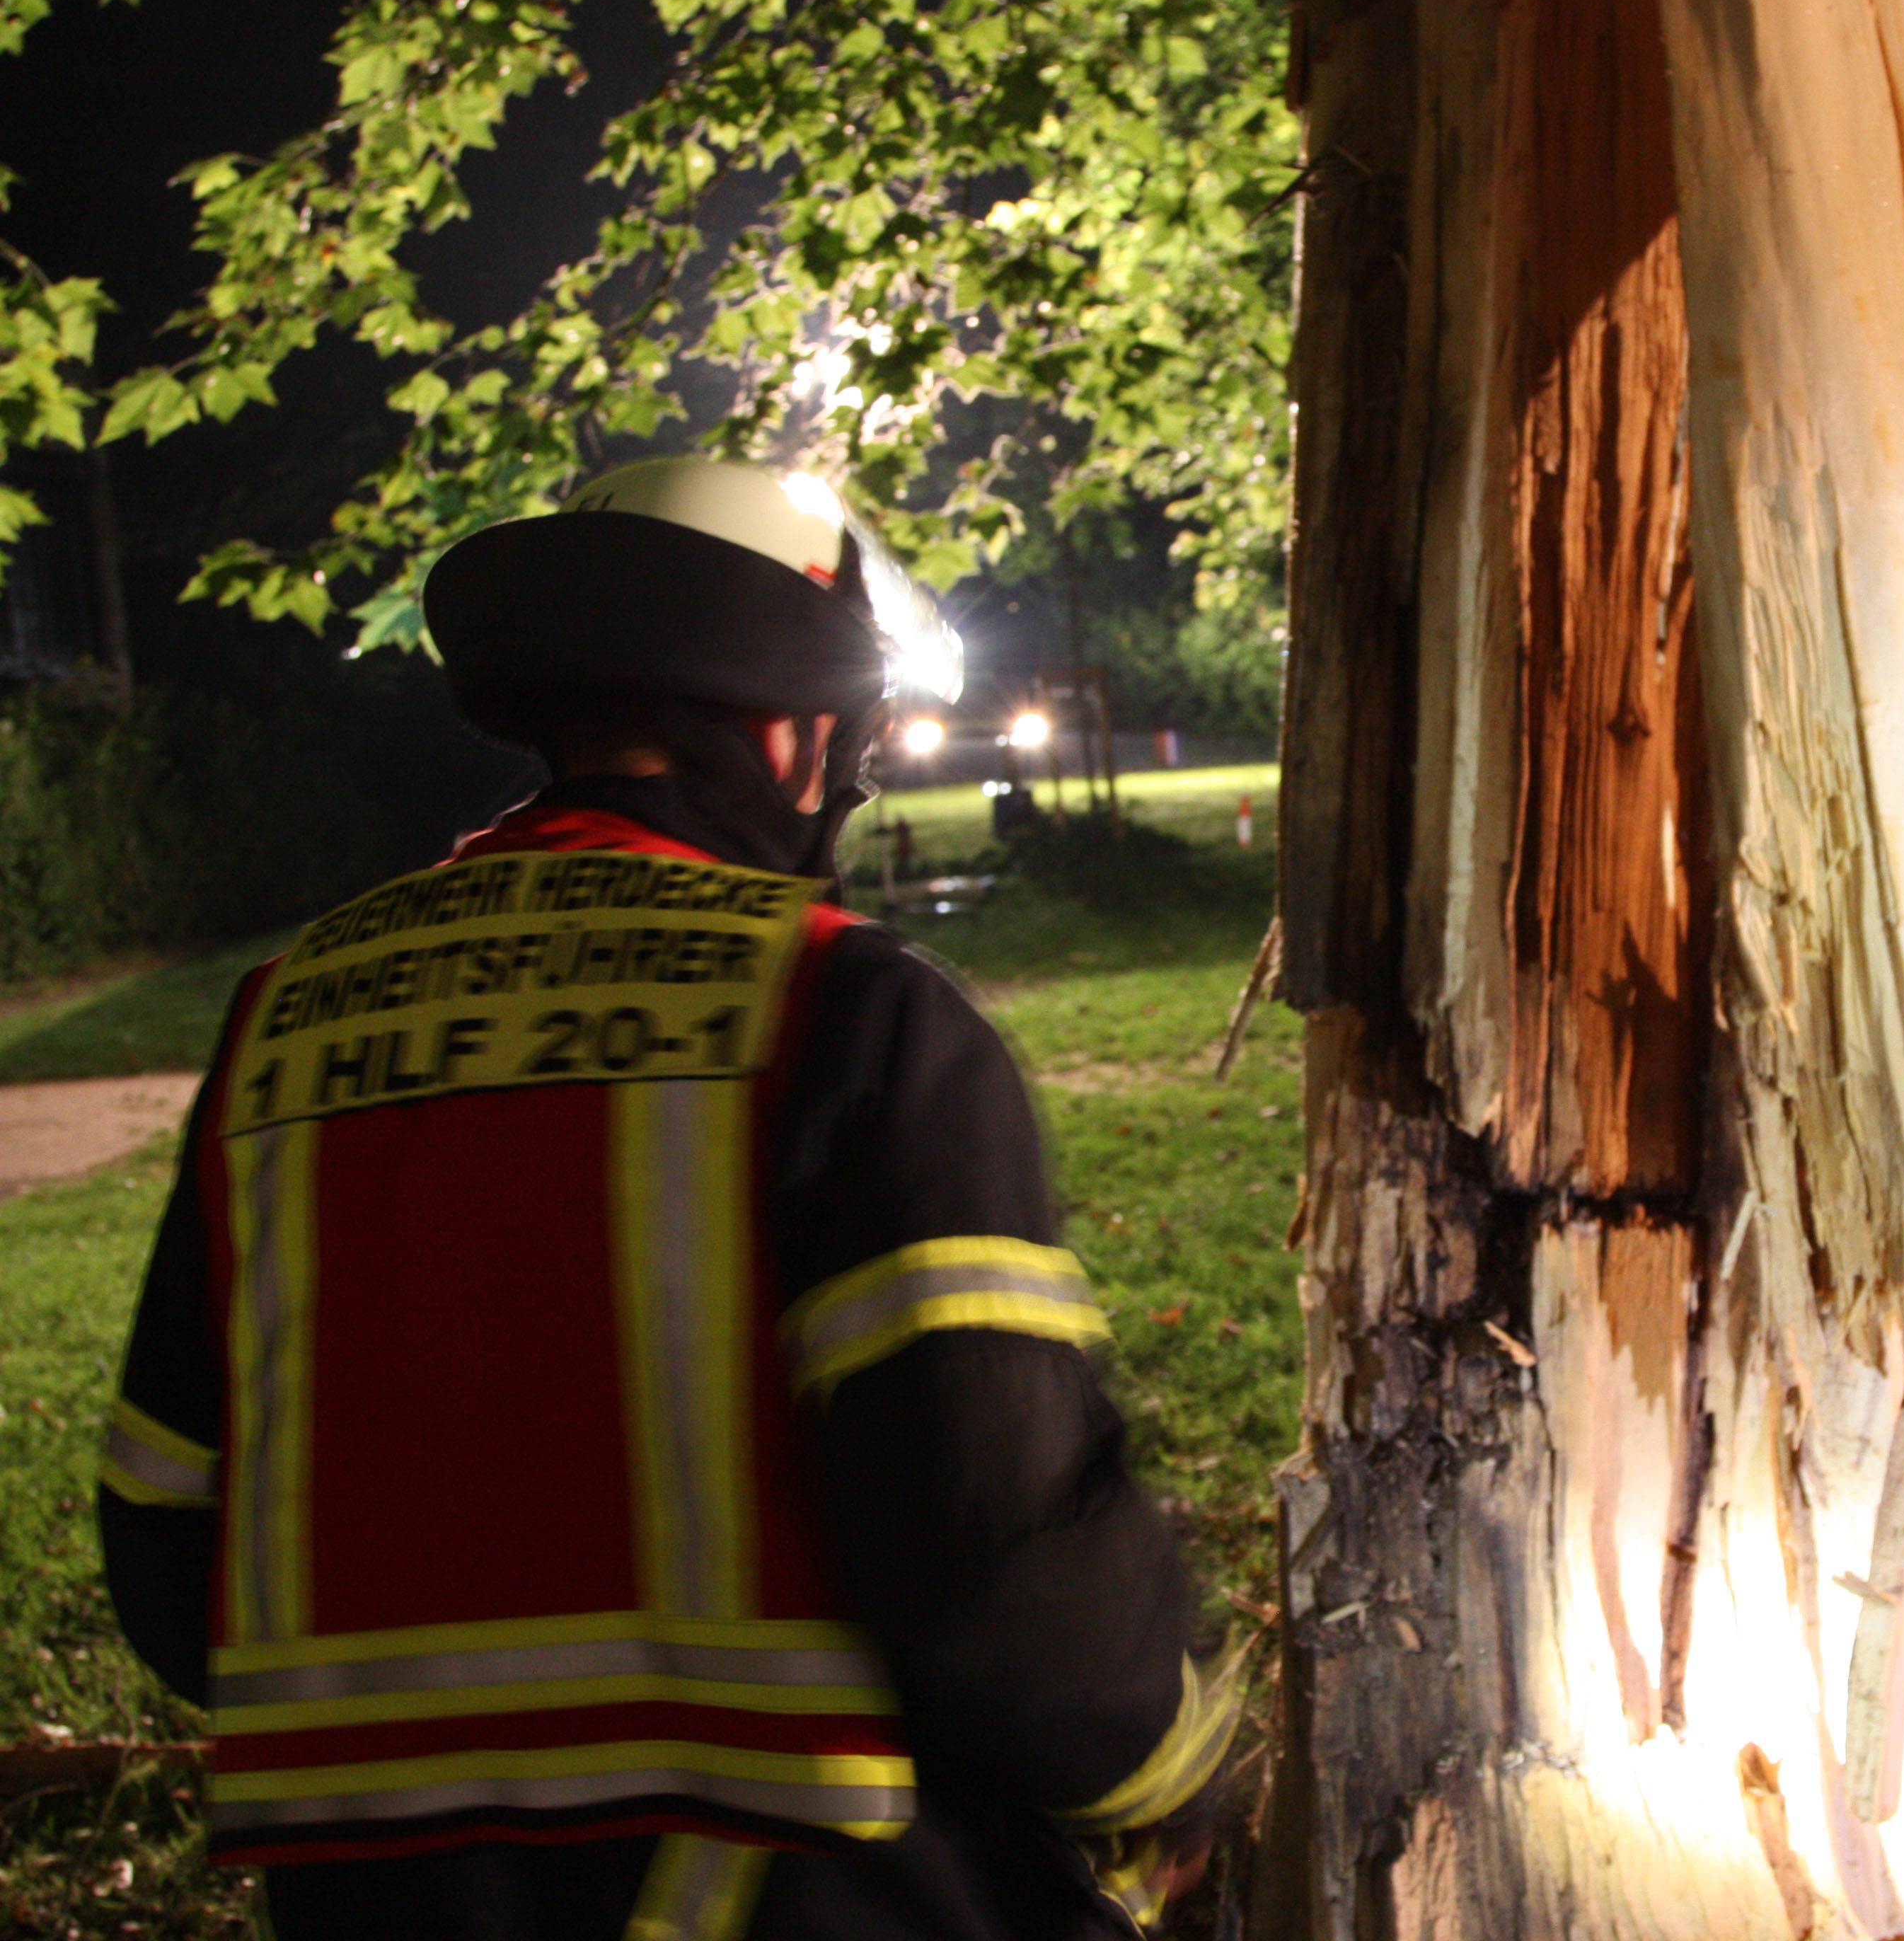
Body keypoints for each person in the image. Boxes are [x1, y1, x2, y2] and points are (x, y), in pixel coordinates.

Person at [96, 457, 1227, 1941]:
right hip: (780, 1888)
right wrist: (1176, 1775)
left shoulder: (284, 1014)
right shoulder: (842, 1007)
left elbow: (168, 1534)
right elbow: (995, 1540)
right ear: (788, 724)